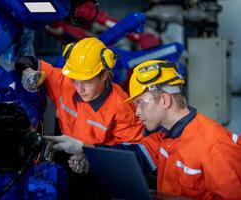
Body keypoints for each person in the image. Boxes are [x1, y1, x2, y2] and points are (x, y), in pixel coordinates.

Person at [45, 60, 241, 200]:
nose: (136, 112)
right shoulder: (165, 135)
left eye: (141, 103)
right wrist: (84, 150)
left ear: (165, 100)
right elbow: (133, 156)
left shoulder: (214, 145)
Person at [15, 37, 144, 199]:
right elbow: (26, 60)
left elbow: (133, 155)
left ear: (104, 75)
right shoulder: (64, 83)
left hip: (101, 168)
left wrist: (92, 159)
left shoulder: (121, 108)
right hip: (63, 153)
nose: (79, 88)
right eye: (75, 80)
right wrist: (28, 73)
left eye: (87, 82)